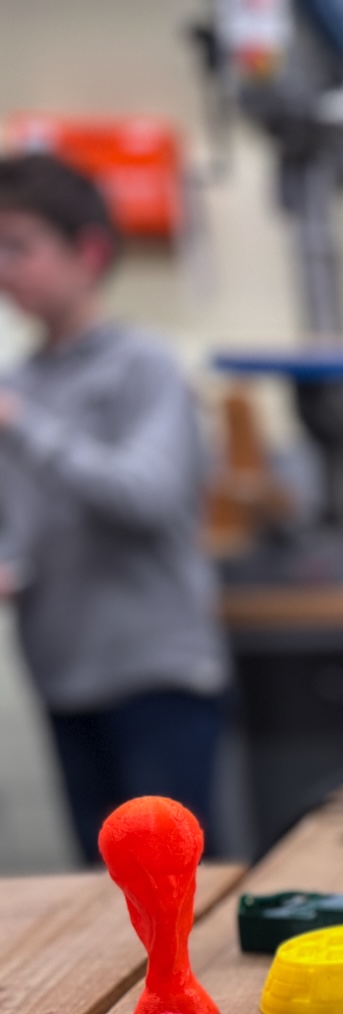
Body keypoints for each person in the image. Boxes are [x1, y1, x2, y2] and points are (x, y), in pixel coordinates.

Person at [0, 153, 226, 863]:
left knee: (173, 895)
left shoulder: (143, 365)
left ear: (89, 252)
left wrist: (22, 424)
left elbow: (146, 495)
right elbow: (25, 522)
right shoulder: (20, 380)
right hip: (62, 677)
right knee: (104, 896)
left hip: (153, 678)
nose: (3, 268)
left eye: (18, 246)